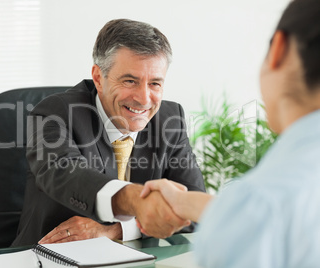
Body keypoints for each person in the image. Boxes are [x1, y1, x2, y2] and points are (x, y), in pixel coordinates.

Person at [137, 0, 320, 267]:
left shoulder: (260, 204)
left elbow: (256, 215)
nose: (144, 98)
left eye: (155, 82)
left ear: (278, 48)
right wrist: (181, 201)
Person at [11, 19, 205, 247]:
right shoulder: (54, 114)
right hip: (53, 257)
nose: (144, 99)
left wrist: (117, 229)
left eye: (154, 84)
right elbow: (67, 173)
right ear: (98, 78)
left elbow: (194, 212)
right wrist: (138, 202)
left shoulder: (169, 120)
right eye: (130, 81)